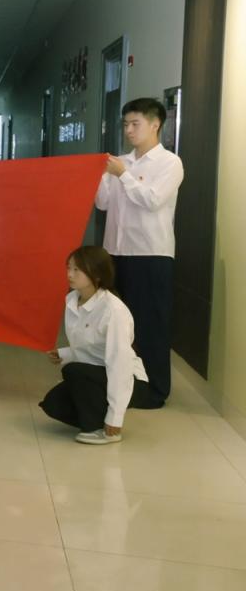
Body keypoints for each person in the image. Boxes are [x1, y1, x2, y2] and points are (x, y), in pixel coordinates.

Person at [96, 97, 183, 408]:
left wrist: (122, 174)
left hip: (150, 254)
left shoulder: (170, 163)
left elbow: (152, 201)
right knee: (116, 325)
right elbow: (102, 203)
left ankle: (155, 390)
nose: (129, 130)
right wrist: (99, 175)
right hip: (115, 252)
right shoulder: (120, 162)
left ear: (155, 124)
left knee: (150, 324)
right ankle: (120, 385)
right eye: (125, 124)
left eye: (136, 124)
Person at [40, 246, 150, 444]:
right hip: (97, 373)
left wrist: (115, 417)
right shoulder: (72, 300)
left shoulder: (113, 310)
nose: (69, 274)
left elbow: (120, 364)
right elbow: (91, 345)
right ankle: (97, 418)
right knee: (53, 404)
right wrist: (65, 354)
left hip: (129, 380)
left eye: (77, 270)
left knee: (73, 371)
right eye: (68, 268)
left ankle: (102, 429)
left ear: (97, 275)